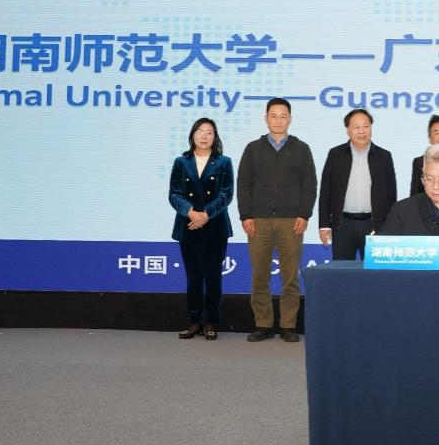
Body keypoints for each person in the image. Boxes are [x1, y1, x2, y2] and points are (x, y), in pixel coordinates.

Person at [237, 98, 317, 343]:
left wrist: (304, 214)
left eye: (283, 116)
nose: (278, 121)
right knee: (259, 275)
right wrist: (246, 215)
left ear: (290, 119)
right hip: (258, 221)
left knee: (290, 277)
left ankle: (288, 325)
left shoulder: (301, 149)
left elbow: (309, 185)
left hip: (291, 221)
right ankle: (263, 324)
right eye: (274, 116)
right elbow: (243, 184)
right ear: (266, 118)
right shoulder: (253, 149)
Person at [169, 118, 234, 341]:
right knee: (193, 277)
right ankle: (195, 321)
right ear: (192, 135)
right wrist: (191, 213)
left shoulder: (224, 162)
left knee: (213, 277)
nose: (204, 136)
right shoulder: (181, 162)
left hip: (215, 227)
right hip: (188, 226)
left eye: (209, 132)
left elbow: (226, 195)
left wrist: (205, 215)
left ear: (215, 137)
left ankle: (212, 322)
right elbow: (174, 194)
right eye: (200, 131)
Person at [318, 108, 397, 261]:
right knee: (342, 270)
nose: (362, 131)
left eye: (366, 126)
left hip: (374, 224)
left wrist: (389, 227)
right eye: (356, 127)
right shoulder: (335, 154)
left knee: (374, 270)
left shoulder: (384, 156)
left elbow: (391, 196)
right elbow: (325, 192)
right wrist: (324, 224)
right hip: (342, 225)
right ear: (348, 130)